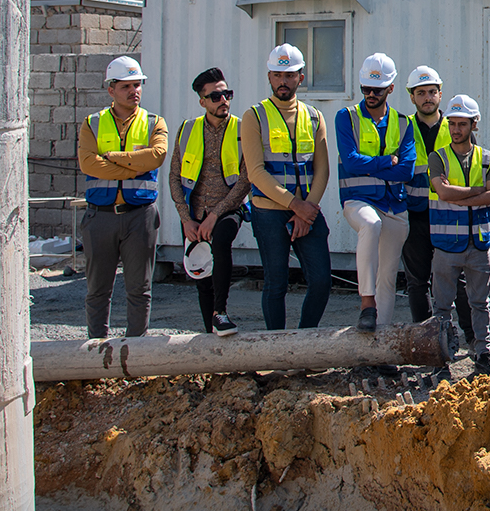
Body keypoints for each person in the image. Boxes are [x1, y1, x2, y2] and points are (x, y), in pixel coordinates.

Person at [240, 43, 333, 330]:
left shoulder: (314, 116)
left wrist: (307, 211)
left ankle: (305, 339)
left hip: (307, 210)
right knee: (276, 282)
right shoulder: (254, 116)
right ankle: (276, 345)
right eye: (278, 75)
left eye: (290, 75)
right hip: (269, 211)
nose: (284, 81)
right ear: (269, 76)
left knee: (321, 280)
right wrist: (296, 206)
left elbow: (322, 169)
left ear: (300, 78)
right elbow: (255, 172)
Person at [78, 56, 169, 340]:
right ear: (111, 90)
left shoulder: (154, 122)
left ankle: (136, 348)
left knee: (139, 290)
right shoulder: (92, 123)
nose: (134, 91)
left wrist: (114, 157)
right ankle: (97, 347)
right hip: (100, 216)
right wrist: (133, 166)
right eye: (126, 86)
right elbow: (88, 164)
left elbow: (156, 156)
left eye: (137, 85)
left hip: (139, 216)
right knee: (98, 289)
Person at [335, 53, 415, 333]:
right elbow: (350, 162)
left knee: (388, 277)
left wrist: (369, 167)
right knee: (370, 224)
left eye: (377, 90)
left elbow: (406, 171)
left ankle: (379, 338)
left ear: (390, 88)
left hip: (394, 205)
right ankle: (367, 304)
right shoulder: (346, 118)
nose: (370, 94)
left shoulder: (403, 123)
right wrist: (385, 162)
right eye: (366, 89)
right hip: (358, 200)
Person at [169, 67, 249, 336]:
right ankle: (209, 332)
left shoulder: (242, 128)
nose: (223, 100)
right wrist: (186, 218)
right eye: (215, 96)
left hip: (228, 209)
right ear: (202, 101)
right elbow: (174, 176)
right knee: (201, 273)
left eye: (227, 94)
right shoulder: (187, 129)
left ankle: (221, 312)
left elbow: (246, 180)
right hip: (195, 213)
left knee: (221, 241)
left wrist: (215, 215)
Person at [428, 95, 490, 374]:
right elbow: (443, 192)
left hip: (479, 244)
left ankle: (483, 352)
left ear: (474, 124)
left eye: (462, 124)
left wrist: (459, 196)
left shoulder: (487, 158)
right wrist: (477, 191)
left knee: (480, 303)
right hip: (447, 245)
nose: (456, 129)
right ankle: (441, 357)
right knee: (442, 306)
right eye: (452, 123)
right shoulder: (438, 157)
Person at [402, 65, 471, 341]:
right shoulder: (403, 127)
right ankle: (427, 340)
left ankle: (472, 338)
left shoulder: (456, 125)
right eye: (421, 93)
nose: (427, 97)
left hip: (450, 215)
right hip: (415, 214)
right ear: (412, 96)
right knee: (417, 282)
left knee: (458, 281)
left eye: (432, 91)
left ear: (440, 94)